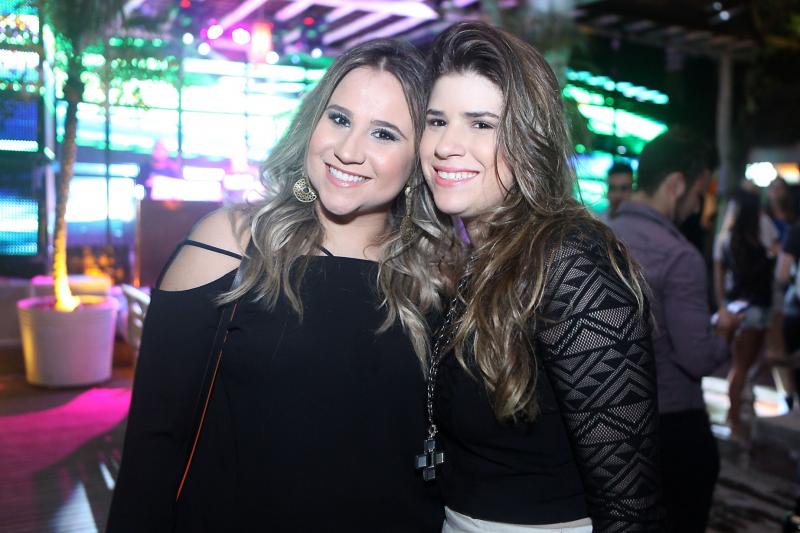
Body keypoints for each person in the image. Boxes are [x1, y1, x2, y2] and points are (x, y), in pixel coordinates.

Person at [107, 39, 445, 532]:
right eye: (339, 118)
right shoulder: (230, 243)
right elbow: (155, 440)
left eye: (384, 133)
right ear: (313, 122)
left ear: (418, 159)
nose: (348, 150)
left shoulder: (436, 276)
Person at [417, 22, 662, 532]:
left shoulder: (571, 260)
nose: (446, 145)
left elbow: (628, 506)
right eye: (437, 121)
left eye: (481, 124)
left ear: (529, 139)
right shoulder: (474, 255)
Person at [611, 131, 742, 533]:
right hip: (670, 426)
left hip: (604, 427)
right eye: (699, 192)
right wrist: (725, 333)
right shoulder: (679, 256)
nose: (698, 205)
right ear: (676, 184)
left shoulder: (595, 234)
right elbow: (696, 357)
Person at [713, 188, 775, 438]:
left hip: (741, 306)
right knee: (742, 365)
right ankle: (735, 418)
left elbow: (720, 274)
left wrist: (722, 303)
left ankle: (736, 414)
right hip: (755, 307)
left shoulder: (729, 239)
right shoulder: (754, 238)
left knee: (742, 364)